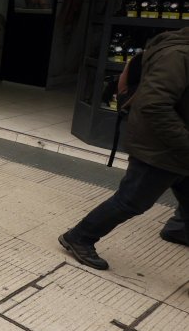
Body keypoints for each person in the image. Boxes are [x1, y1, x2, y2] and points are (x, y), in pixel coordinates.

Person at [59, 27, 189, 270]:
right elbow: (154, 105)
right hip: (160, 149)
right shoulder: (178, 55)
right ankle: (80, 236)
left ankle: (178, 230)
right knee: (130, 201)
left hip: (178, 150)